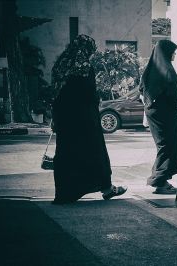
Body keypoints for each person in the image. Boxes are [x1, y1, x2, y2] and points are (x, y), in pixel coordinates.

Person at [51, 34, 127, 204]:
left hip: (64, 119)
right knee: (94, 153)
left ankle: (65, 193)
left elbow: (55, 93)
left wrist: (55, 117)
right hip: (84, 119)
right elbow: (89, 94)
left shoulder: (60, 65)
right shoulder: (83, 66)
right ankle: (107, 189)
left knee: (66, 154)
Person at [139, 40, 177, 194]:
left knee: (163, 145)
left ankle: (161, 179)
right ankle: (160, 181)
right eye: (173, 52)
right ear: (166, 53)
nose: (174, 54)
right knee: (167, 145)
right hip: (165, 114)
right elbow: (173, 92)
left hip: (154, 113)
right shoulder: (167, 71)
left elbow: (142, 90)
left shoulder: (150, 70)